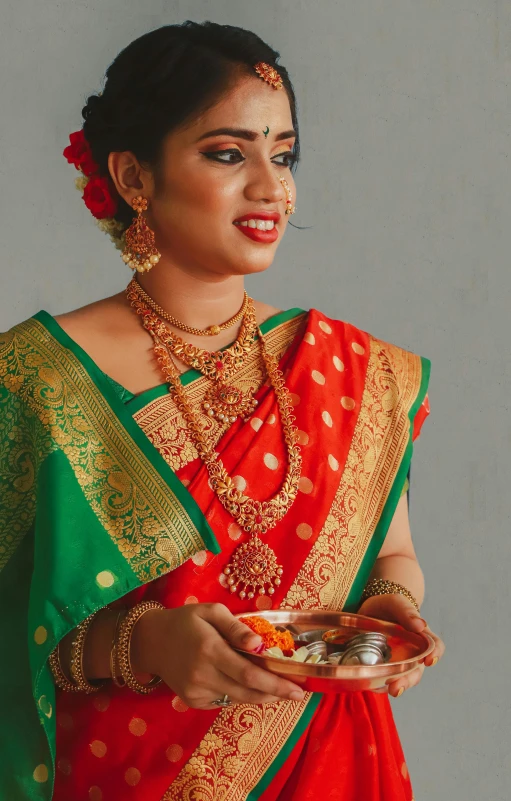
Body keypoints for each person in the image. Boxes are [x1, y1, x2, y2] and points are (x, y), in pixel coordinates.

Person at [0, 20, 445, 801]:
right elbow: (12, 628)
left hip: (328, 759)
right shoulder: (34, 381)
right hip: (126, 774)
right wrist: (142, 644)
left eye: (283, 154)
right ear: (135, 177)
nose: (272, 188)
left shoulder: (353, 370)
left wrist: (387, 615)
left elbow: (391, 555)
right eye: (228, 153)